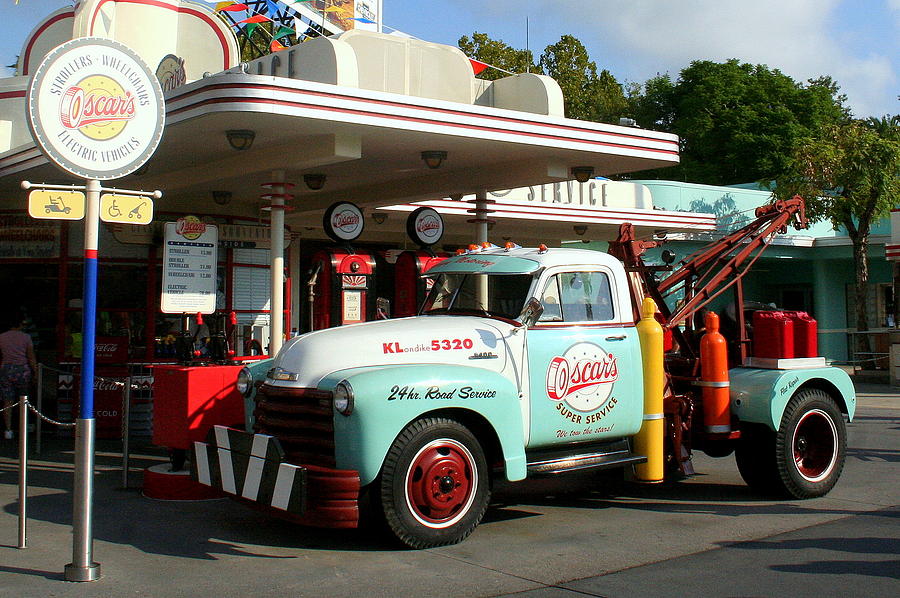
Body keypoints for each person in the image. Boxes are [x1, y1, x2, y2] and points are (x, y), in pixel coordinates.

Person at [0, 311, 38, 440]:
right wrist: (36, 372)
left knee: (7, 400)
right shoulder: (26, 337)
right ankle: (26, 425)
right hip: (22, 370)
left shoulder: (2, 337)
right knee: (24, 399)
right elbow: (31, 357)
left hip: (6, 369)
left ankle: (8, 429)